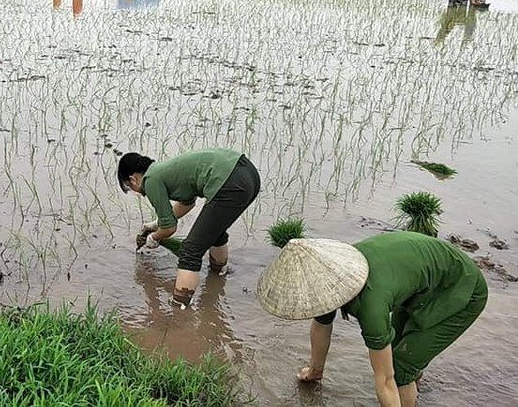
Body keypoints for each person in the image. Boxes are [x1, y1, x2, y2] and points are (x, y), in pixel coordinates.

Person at [257, 232, 487, 407]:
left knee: (401, 366)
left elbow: (385, 380)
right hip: (418, 284)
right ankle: (415, 376)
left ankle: (411, 379)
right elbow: (322, 323)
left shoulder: (371, 306)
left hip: (460, 289)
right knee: (402, 350)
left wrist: (395, 381)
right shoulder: (333, 273)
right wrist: (315, 371)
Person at [118, 149, 261, 307]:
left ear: (133, 179)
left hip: (230, 181)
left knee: (190, 251)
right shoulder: (163, 170)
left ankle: (180, 311)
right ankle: (218, 277)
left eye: (130, 188)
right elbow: (187, 203)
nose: (136, 192)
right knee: (214, 232)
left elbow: (170, 228)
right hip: (248, 174)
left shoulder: (150, 180)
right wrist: (155, 224)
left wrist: (154, 237)